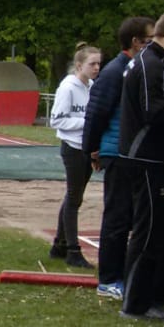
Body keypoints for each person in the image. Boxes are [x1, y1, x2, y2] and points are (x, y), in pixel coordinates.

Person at [117, 10, 164, 319]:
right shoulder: (150, 64)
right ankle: (135, 304)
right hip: (146, 159)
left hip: (156, 158)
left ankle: (160, 293)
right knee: (148, 233)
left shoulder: (154, 63)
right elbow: (153, 112)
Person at [84, 17, 154, 300]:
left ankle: (123, 275)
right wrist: (92, 149)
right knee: (117, 217)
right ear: (136, 42)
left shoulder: (135, 68)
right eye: (150, 39)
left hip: (130, 153)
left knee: (130, 218)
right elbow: (96, 112)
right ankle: (109, 280)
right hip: (116, 153)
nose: (154, 44)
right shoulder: (115, 71)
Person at [49, 43, 102, 268]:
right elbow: (57, 120)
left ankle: (59, 245)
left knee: (74, 197)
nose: (96, 68)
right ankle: (72, 250)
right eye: (92, 64)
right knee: (73, 197)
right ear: (79, 65)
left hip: (86, 148)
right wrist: (86, 122)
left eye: (99, 63)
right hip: (72, 147)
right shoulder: (68, 88)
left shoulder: (92, 86)